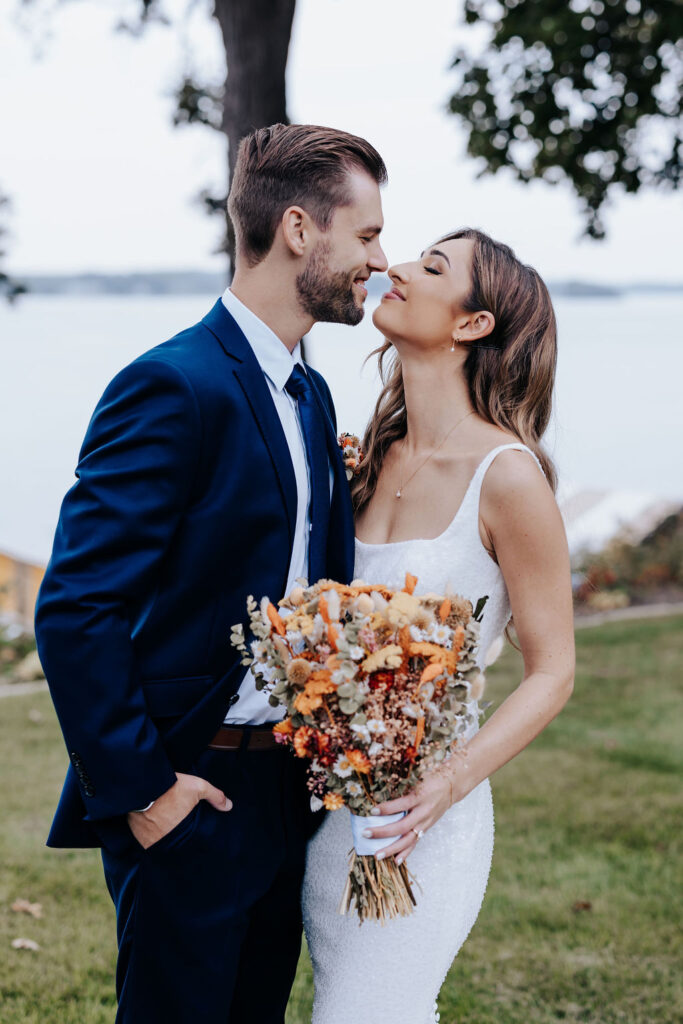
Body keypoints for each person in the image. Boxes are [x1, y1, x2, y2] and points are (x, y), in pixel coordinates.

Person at [34, 122, 388, 1024]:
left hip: (285, 792)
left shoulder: (310, 395)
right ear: (301, 230)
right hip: (192, 790)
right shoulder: (173, 385)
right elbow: (77, 607)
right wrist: (150, 795)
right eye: (368, 235)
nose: (378, 262)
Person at [302, 228, 575, 1024]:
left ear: (471, 325)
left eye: (430, 267)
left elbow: (553, 670)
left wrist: (443, 787)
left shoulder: (508, 478)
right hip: (322, 813)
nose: (393, 267)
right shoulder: (360, 461)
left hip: (425, 825)